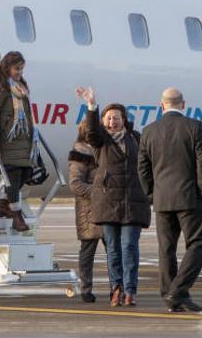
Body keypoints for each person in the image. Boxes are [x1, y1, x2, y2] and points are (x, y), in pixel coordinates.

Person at [137, 87, 202, 313]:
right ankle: (177, 292)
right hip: (190, 197)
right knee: (198, 243)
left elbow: (142, 168)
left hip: (162, 199)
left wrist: (151, 194)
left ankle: (172, 295)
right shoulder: (193, 127)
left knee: (166, 249)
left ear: (162, 105)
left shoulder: (149, 131)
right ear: (183, 104)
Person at [76, 87, 151, 307]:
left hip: (132, 201)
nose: (112, 122)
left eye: (116, 118)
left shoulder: (136, 139)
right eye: (108, 119)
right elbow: (91, 131)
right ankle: (115, 289)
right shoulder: (101, 142)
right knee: (113, 251)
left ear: (124, 120)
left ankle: (130, 290)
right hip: (108, 202)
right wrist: (91, 105)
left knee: (129, 247)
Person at [0, 51, 34, 232]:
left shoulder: (20, 86)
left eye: (21, 68)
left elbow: (27, 114)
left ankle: (4, 204)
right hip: (8, 141)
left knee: (26, 174)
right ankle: (16, 215)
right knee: (12, 179)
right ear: (7, 67)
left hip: (24, 141)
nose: (19, 72)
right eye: (16, 68)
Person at [68, 120, 106, 303]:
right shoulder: (81, 152)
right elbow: (76, 184)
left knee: (115, 252)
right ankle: (86, 288)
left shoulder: (105, 149)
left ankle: (118, 287)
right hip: (89, 210)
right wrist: (99, 193)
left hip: (108, 209)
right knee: (88, 251)